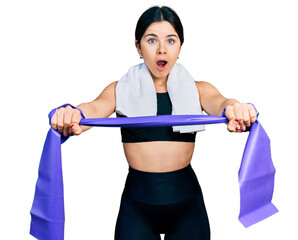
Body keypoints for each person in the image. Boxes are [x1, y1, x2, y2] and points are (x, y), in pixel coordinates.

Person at [51, 6, 256, 240]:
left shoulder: (199, 90)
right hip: (137, 206)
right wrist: (72, 113)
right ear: (138, 46)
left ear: (180, 46)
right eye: (151, 40)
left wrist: (236, 108)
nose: (161, 50)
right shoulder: (119, 90)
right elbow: (93, 109)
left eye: (171, 40)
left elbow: (222, 103)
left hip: (187, 205)